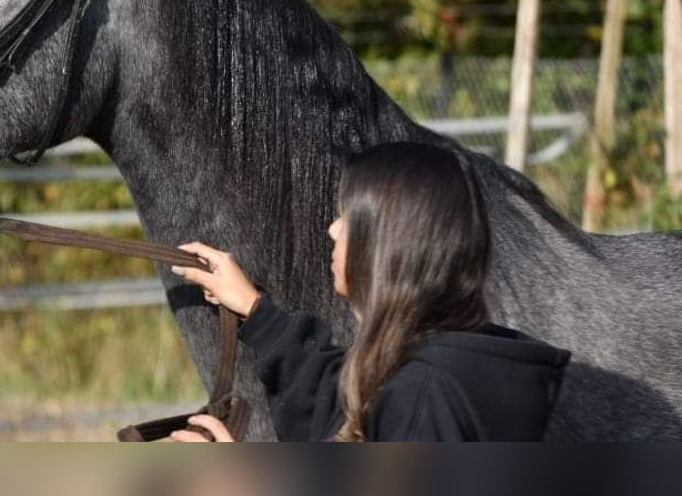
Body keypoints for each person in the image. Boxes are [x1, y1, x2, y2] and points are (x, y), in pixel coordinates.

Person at [167, 141, 571, 442]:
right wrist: (257, 312)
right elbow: (339, 398)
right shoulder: (456, 365)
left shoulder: (422, 399)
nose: (332, 230)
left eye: (347, 218)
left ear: (387, 245)